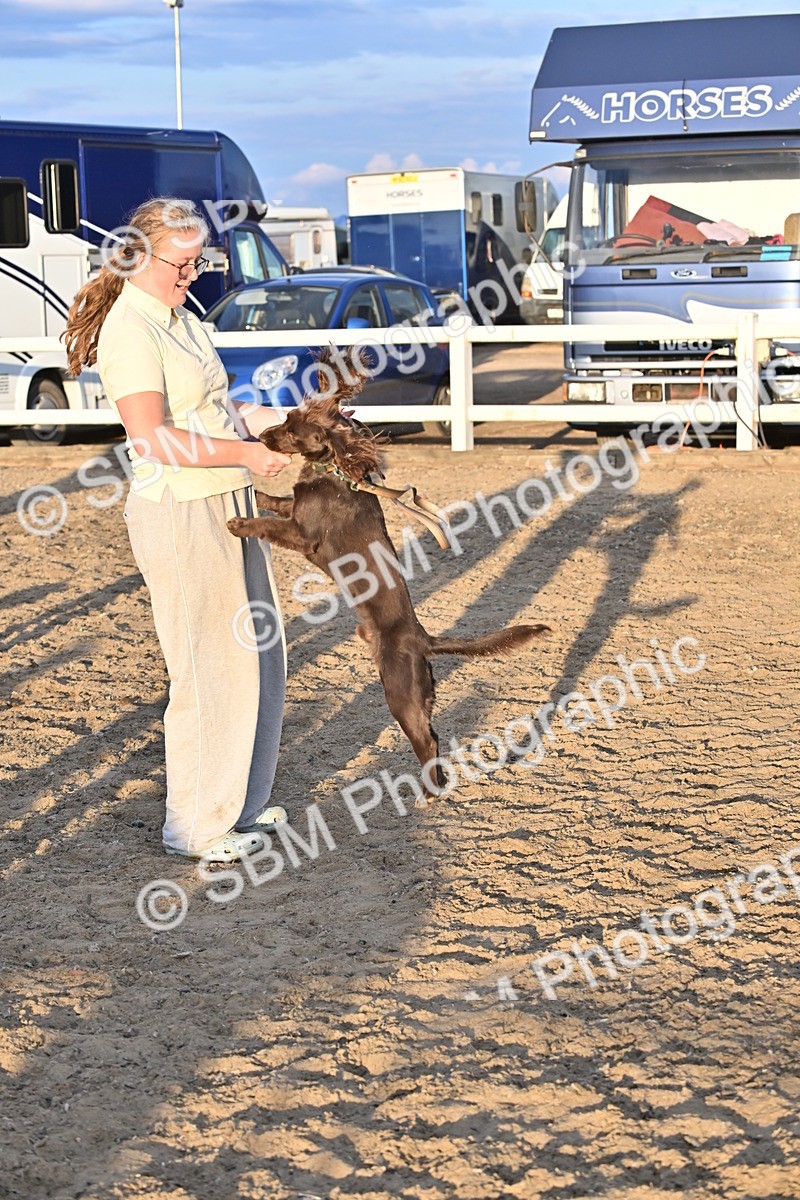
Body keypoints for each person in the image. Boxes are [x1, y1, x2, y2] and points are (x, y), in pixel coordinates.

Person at [62, 197, 292, 863]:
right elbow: (153, 438)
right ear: (141, 256)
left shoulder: (182, 316)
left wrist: (280, 421)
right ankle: (195, 826)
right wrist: (246, 454)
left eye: (200, 260)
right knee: (208, 666)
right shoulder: (132, 330)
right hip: (183, 510)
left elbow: (220, 409)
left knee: (258, 658)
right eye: (183, 262)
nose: (194, 273)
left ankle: (240, 804)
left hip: (230, 504)